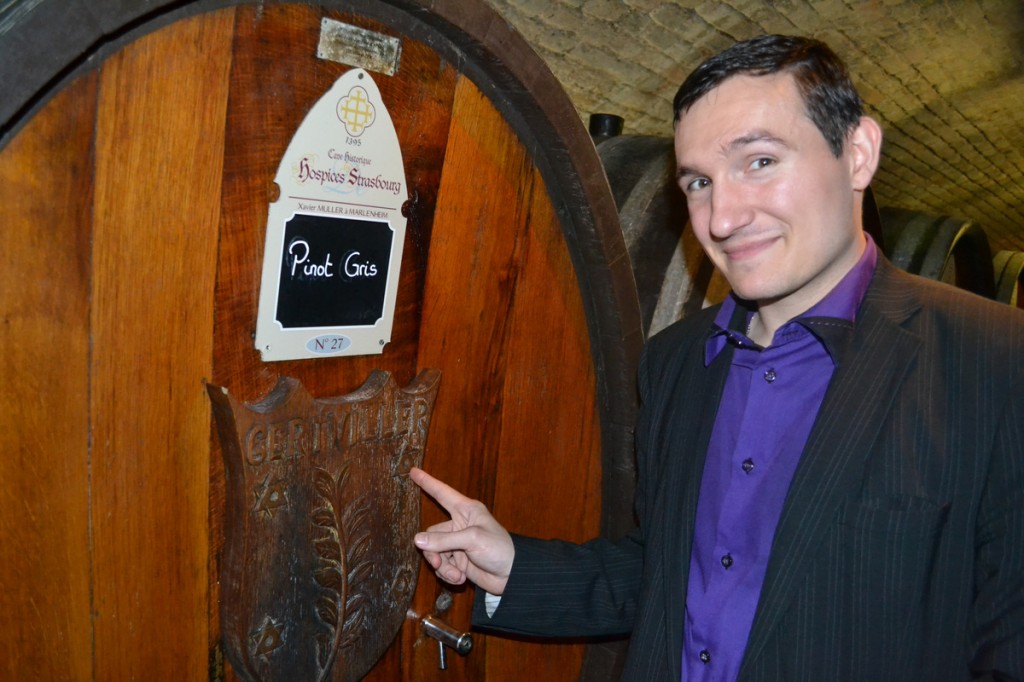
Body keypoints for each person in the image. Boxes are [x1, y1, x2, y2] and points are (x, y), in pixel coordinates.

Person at [411, 34, 1024, 680]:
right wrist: (513, 565)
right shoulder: (676, 361)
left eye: (759, 161)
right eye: (699, 182)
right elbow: (667, 571)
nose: (722, 218)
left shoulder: (996, 364)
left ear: (858, 154)